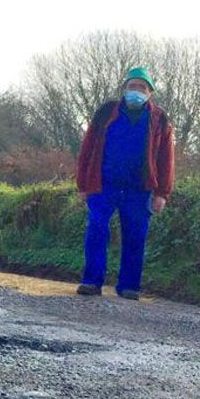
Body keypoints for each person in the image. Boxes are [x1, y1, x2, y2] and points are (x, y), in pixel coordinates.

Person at [75, 67, 175, 300]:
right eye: (132, 86)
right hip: (103, 184)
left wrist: (162, 193)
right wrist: (83, 184)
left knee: (136, 236)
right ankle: (91, 282)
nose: (136, 91)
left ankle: (129, 286)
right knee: (96, 229)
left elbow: (166, 158)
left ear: (150, 93)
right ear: (124, 88)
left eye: (142, 87)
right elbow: (87, 149)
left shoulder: (160, 120)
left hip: (139, 189)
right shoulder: (106, 113)